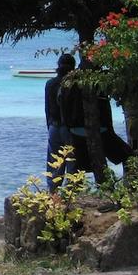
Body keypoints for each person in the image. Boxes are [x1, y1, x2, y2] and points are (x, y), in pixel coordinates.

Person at [45, 53, 76, 191]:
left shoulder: (50, 83)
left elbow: (47, 109)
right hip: (70, 128)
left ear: (58, 66)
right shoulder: (75, 85)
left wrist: (49, 126)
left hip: (54, 126)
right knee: (72, 163)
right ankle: (71, 195)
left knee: (54, 164)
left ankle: (53, 195)